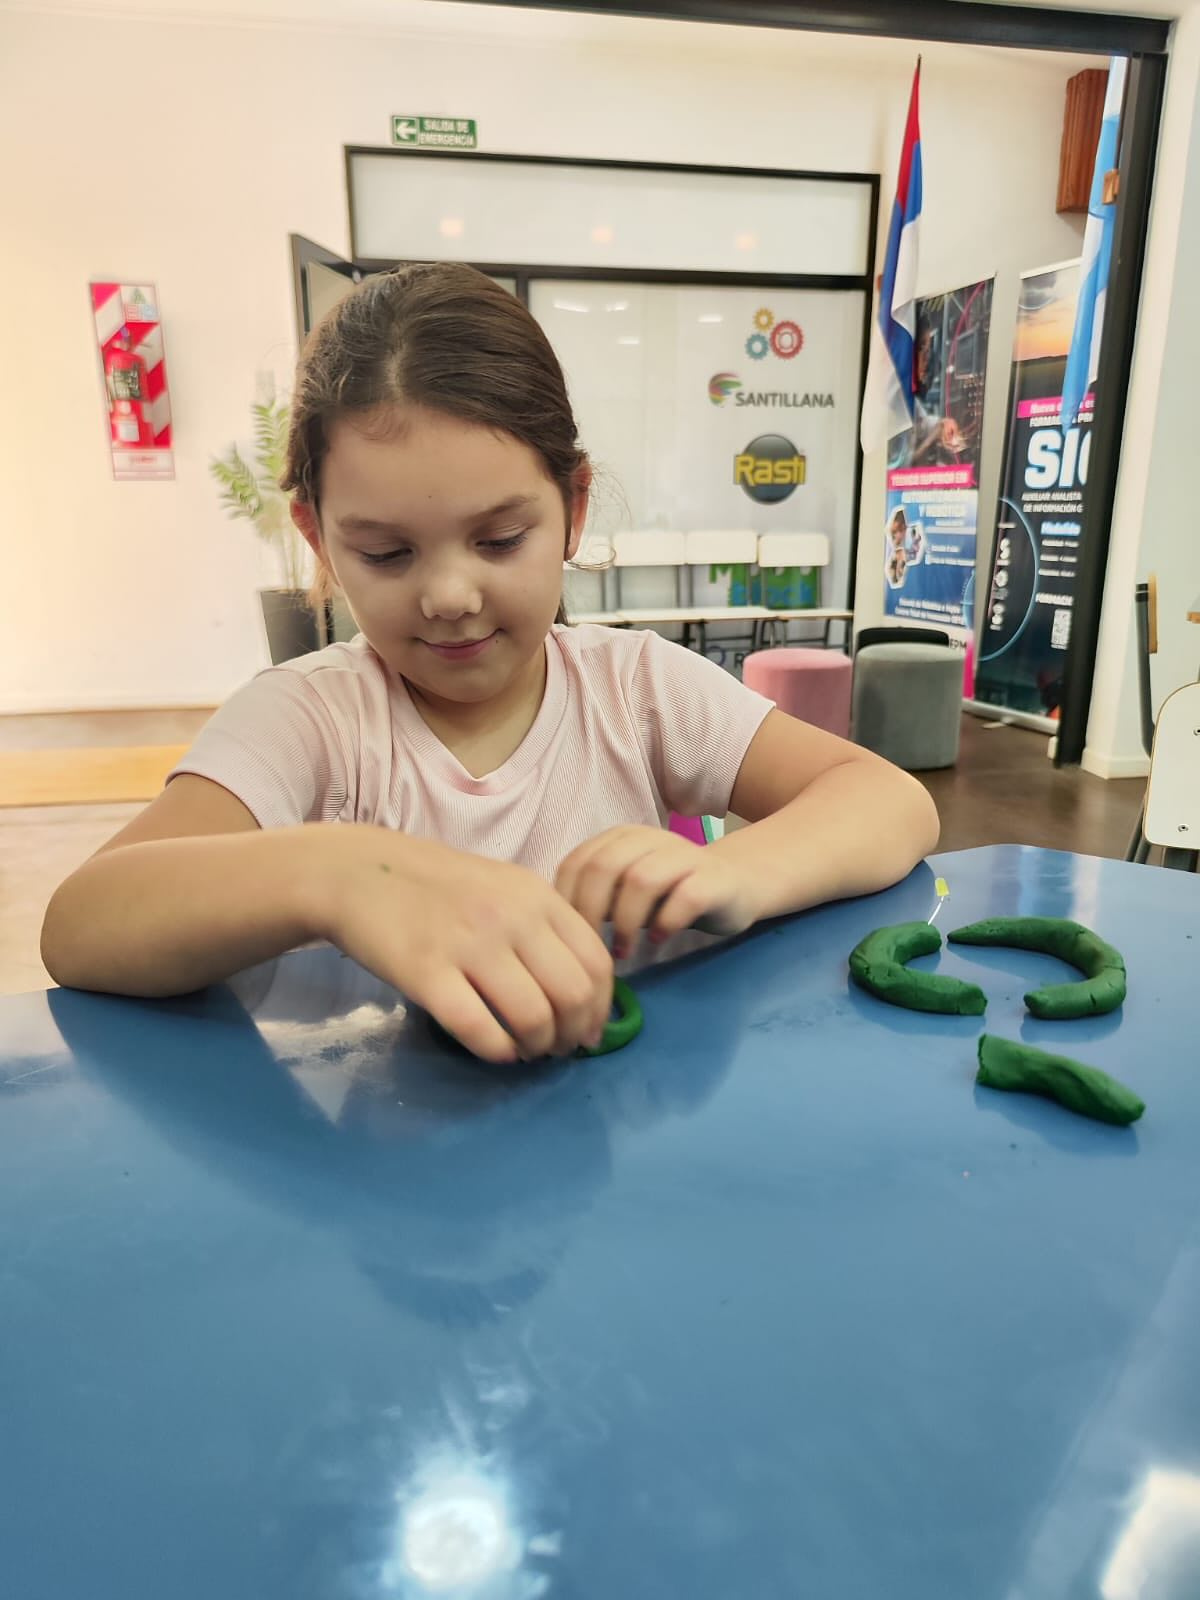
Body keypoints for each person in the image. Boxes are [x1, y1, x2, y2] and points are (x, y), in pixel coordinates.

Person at [43, 264, 939, 1064]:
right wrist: (338, 875)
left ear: (573, 509)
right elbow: (83, 922)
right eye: (386, 554)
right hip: (392, 1155)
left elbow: (890, 801)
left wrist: (734, 873)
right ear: (319, 539)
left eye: (500, 539)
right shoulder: (310, 720)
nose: (449, 595)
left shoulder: (635, 687)